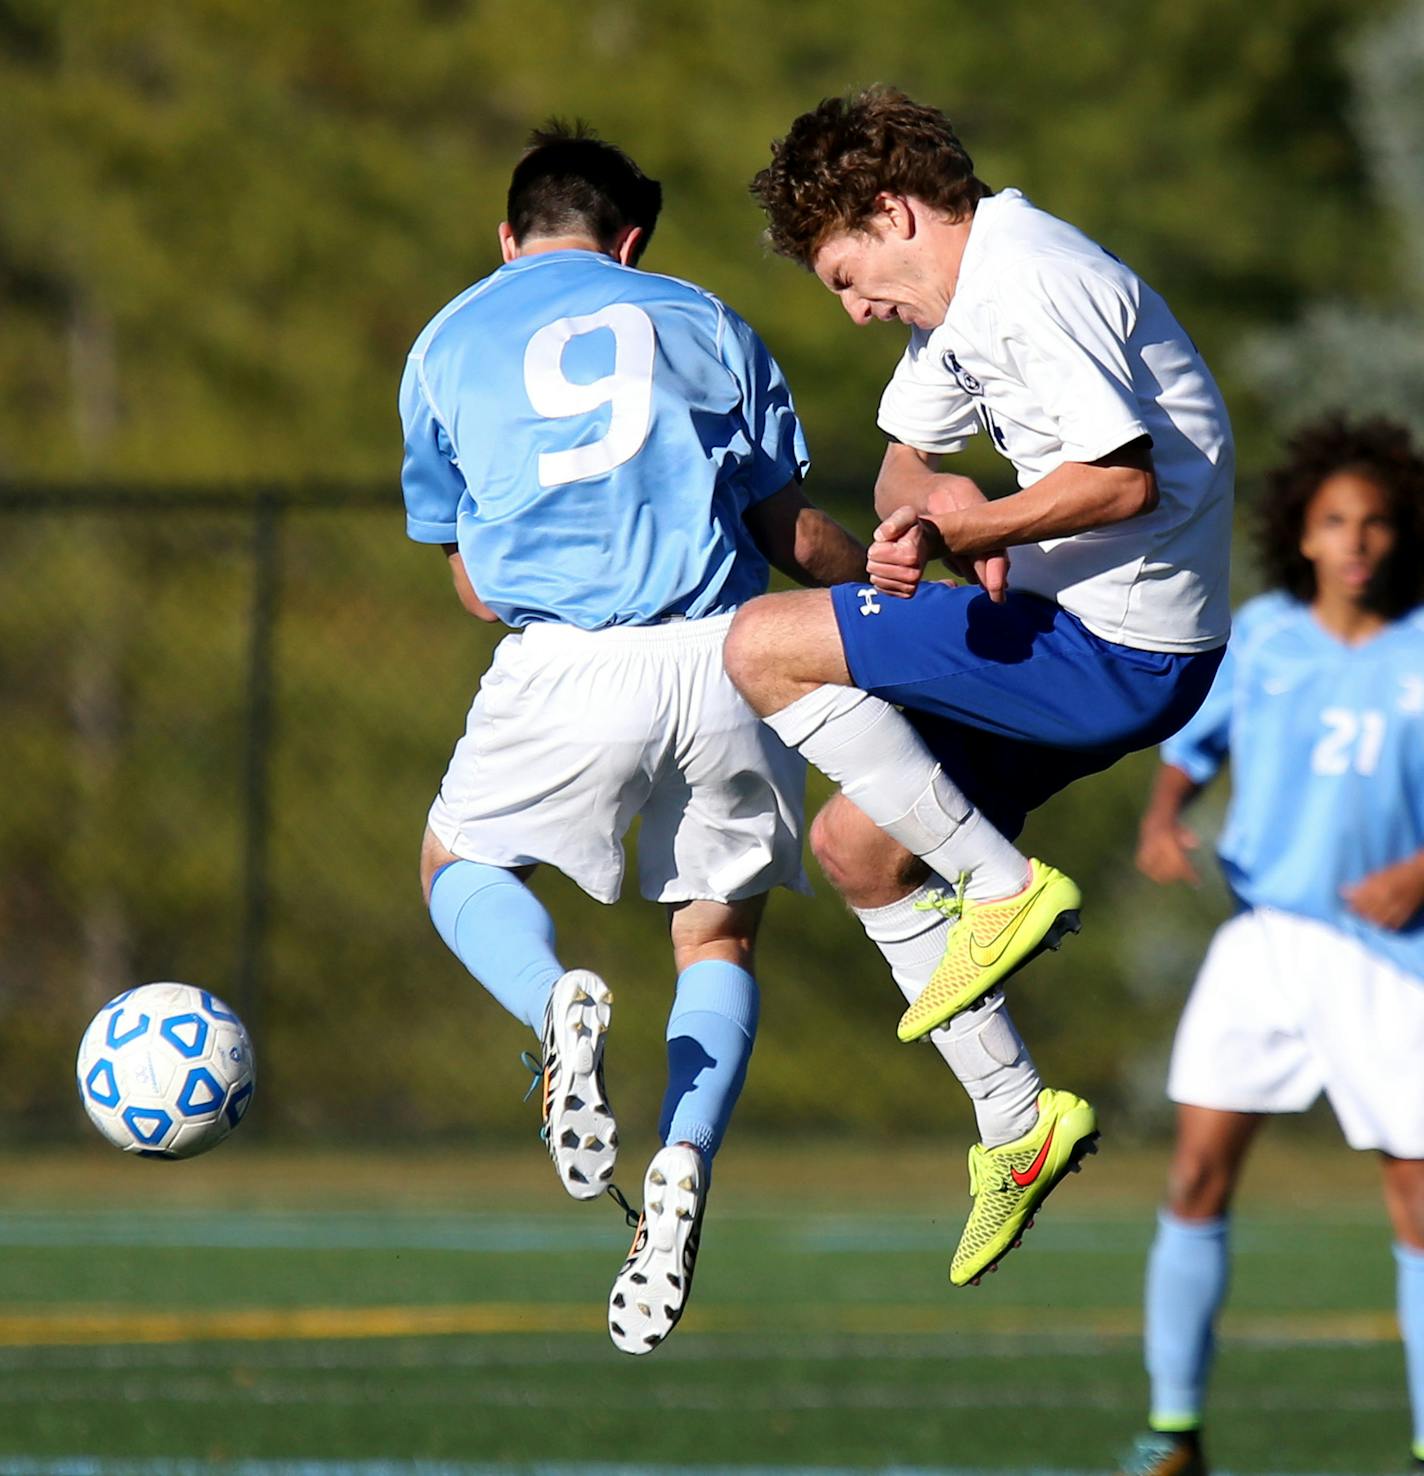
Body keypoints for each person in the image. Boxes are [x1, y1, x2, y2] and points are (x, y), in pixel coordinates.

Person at [725, 86, 1234, 1287]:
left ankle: (997, 888)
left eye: (849, 276)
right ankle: (1016, 1124)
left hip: (1109, 646)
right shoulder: (963, 297)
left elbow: (1120, 483)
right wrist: (921, 507)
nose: (853, 311)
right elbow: (911, 451)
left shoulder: (1032, 281)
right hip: (1090, 640)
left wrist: (979, 519)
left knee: (759, 643)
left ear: (894, 212)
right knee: (859, 847)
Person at [398, 122, 871, 1356]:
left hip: (565, 659)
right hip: (726, 657)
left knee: (458, 867)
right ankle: (682, 1168)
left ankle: (555, 1001)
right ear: (631, 239)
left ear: (507, 240)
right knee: (714, 936)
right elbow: (790, 536)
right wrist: (887, 575)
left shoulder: (447, 339)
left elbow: (473, 587)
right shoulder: (706, 321)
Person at [1119, 415, 1424, 1476]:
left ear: (1399, 533)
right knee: (1196, 1175)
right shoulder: (1261, 637)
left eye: (1375, 522)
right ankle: (1172, 1431)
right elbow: (1188, 751)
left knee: (1416, 1199)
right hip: (1265, 946)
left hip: (1394, 962)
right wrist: (1162, 818)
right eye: (1334, 520)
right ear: (1300, 532)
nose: (1355, 540)